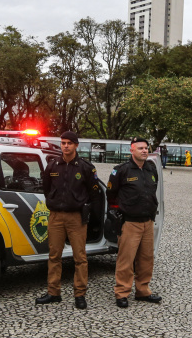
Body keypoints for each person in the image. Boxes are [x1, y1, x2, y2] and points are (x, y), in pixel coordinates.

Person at [36, 131, 101, 310]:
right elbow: (46, 188)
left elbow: (94, 193)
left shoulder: (86, 168)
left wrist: (91, 216)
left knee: (80, 257)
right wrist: (52, 202)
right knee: (54, 255)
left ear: (76, 145)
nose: (65, 146)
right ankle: (53, 292)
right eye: (63, 143)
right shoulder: (53, 165)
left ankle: (80, 294)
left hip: (76, 217)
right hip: (56, 216)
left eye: (69, 143)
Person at [107, 137, 161, 308]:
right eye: (140, 148)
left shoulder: (151, 169)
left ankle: (143, 291)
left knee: (146, 259)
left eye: (146, 148)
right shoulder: (121, 171)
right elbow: (111, 195)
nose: (144, 151)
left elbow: (153, 191)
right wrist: (118, 214)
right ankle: (122, 293)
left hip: (147, 222)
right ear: (131, 150)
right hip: (130, 222)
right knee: (126, 260)